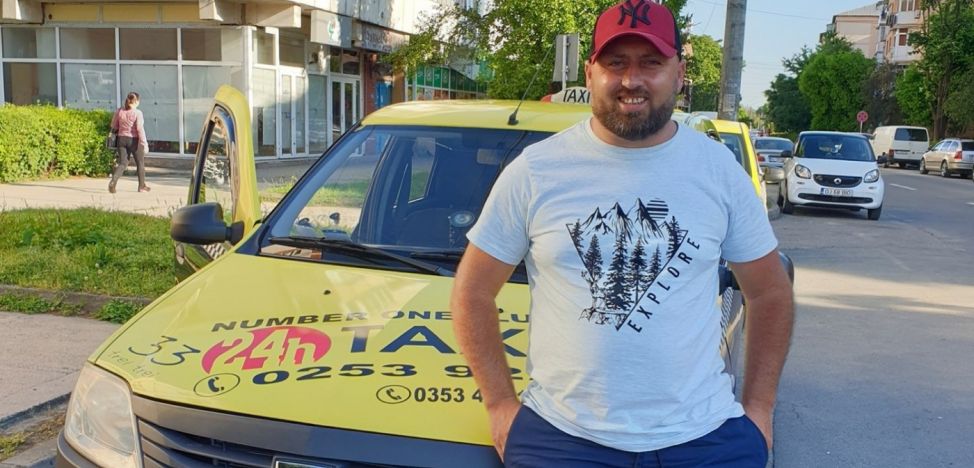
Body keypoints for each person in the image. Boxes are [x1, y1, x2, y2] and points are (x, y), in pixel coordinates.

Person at [450, 1, 794, 466]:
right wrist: (499, 405)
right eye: (616, 63)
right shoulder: (536, 171)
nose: (632, 80)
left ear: (679, 73)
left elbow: (770, 292)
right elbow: (472, 290)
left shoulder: (718, 171)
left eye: (650, 63)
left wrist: (759, 411)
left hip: (704, 437)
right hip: (561, 439)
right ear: (590, 73)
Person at [108, 92, 150, 193]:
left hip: (121, 139)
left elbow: (113, 125)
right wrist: (144, 143)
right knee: (140, 163)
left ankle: (113, 182)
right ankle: (141, 186)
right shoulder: (138, 113)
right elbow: (140, 129)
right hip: (134, 141)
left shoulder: (120, 111)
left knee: (123, 163)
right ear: (136, 101)